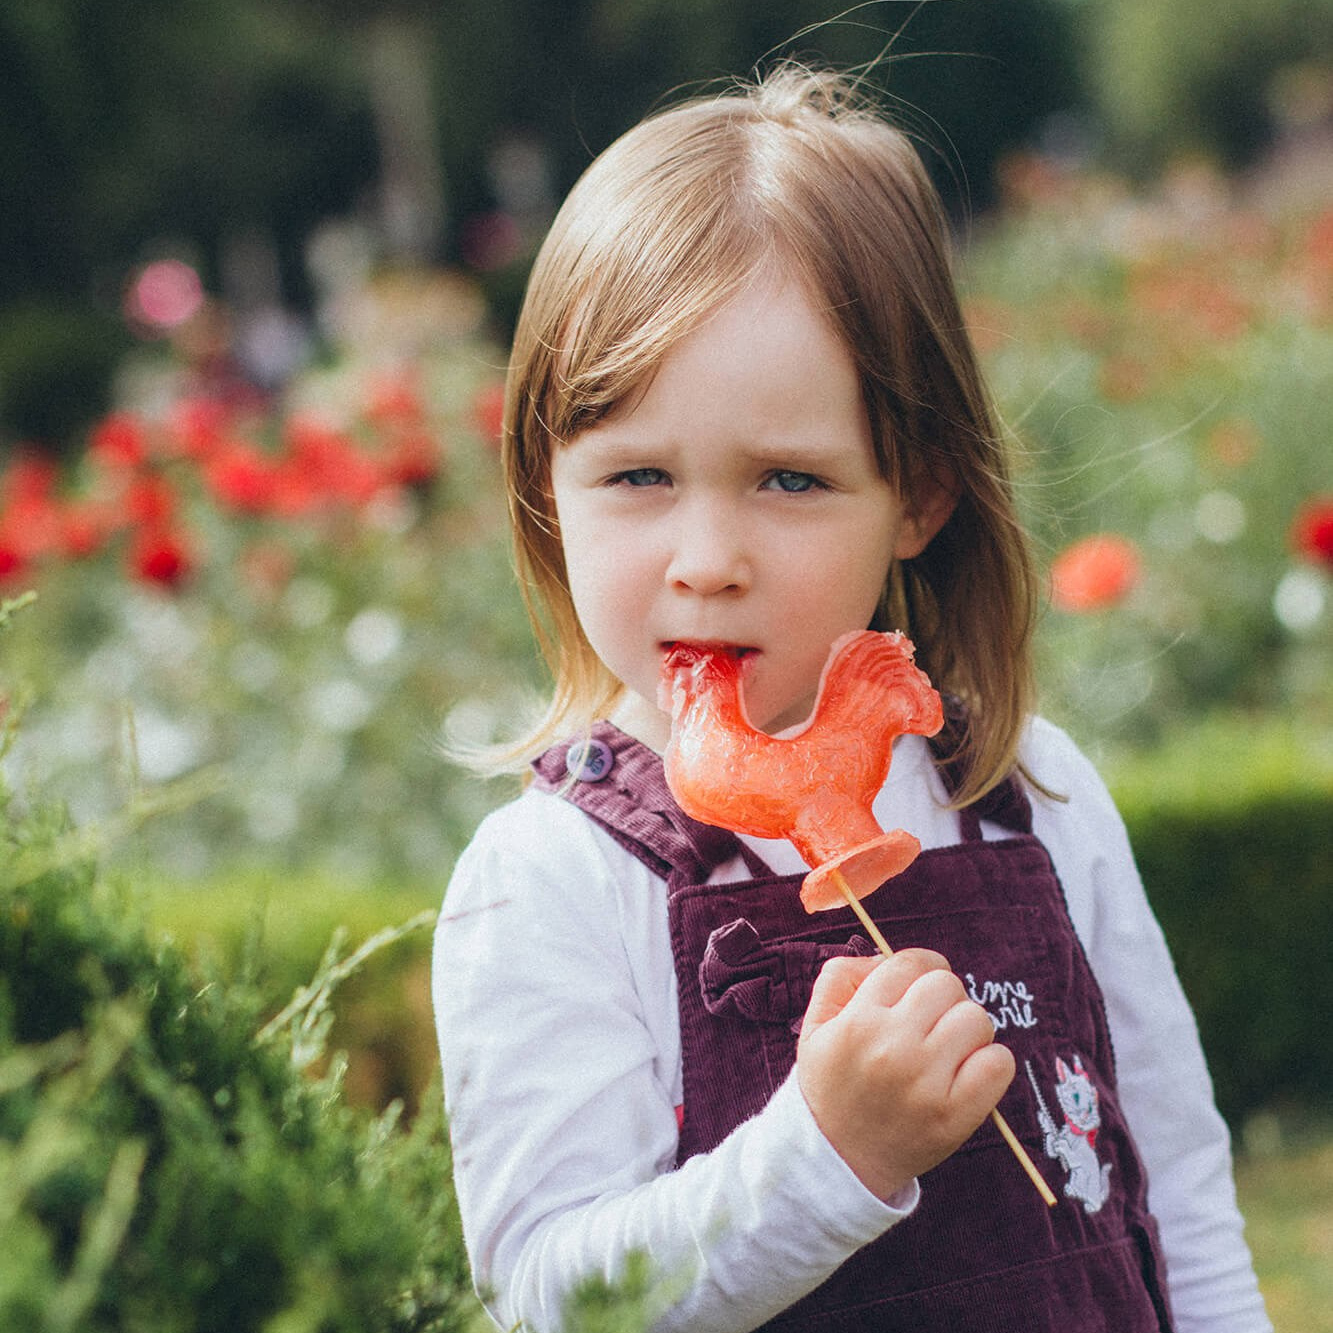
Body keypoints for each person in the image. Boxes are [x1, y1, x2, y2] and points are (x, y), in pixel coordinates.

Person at [432, 66, 1271, 1333]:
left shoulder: (1027, 794)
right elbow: (552, 1300)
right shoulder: (554, 881)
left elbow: (1179, 1192)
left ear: (917, 495)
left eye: (788, 480)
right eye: (639, 475)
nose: (706, 559)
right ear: (548, 485)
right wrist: (825, 1155)